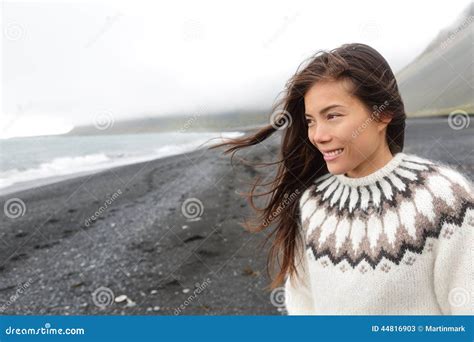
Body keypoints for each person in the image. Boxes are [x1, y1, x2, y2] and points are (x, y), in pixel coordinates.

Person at [210, 43, 473, 315]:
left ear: (382, 114)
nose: (318, 135)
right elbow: (303, 306)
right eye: (310, 120)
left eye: (333, 116)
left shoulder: (447, 201)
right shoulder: (312, 202)